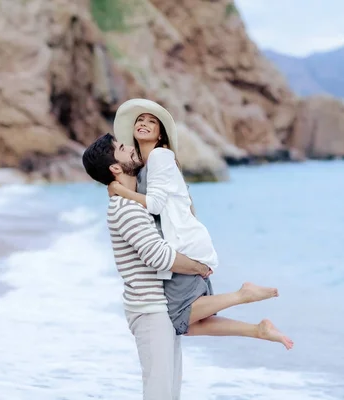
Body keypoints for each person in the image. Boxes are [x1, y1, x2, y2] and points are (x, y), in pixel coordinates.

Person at [81, 133, 292, 399]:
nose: (131, 149)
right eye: (123, 149)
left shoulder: (136, 199)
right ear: (114, 167)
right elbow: (159, 257)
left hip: (160, 306)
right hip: (148, 310)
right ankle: (242, 297)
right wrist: (199, 268)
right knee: (159, 391)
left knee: (170, 390)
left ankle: (248, 312)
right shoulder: (125, 208)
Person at [108, 99, 293, 346]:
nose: (143, 123)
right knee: (190, 323)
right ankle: (257, 330)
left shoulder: (160, 156)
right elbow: (185, 200)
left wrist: (119, 190)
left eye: (151, 122)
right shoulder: (147, 163)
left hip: (183, 245)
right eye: (140, 120)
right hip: (185, 241)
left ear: (160, 134)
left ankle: (243, 295)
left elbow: (155, 205)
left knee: (176, 318)